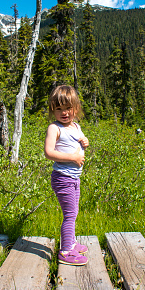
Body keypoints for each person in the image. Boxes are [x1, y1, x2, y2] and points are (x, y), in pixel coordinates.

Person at [44, 85, 89, 266]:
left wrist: (85, 141)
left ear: (75, 108)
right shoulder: (54, 128)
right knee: (70, 214)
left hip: (74, 178)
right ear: (53, 110)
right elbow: (48, 153)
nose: (64, 113)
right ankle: (66, 251)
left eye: (68, 108)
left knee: (74, 212)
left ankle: (70, 241)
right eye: (59, 109)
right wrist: (73, 157)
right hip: (62, 177)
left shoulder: (76, 126)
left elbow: (80, 143)